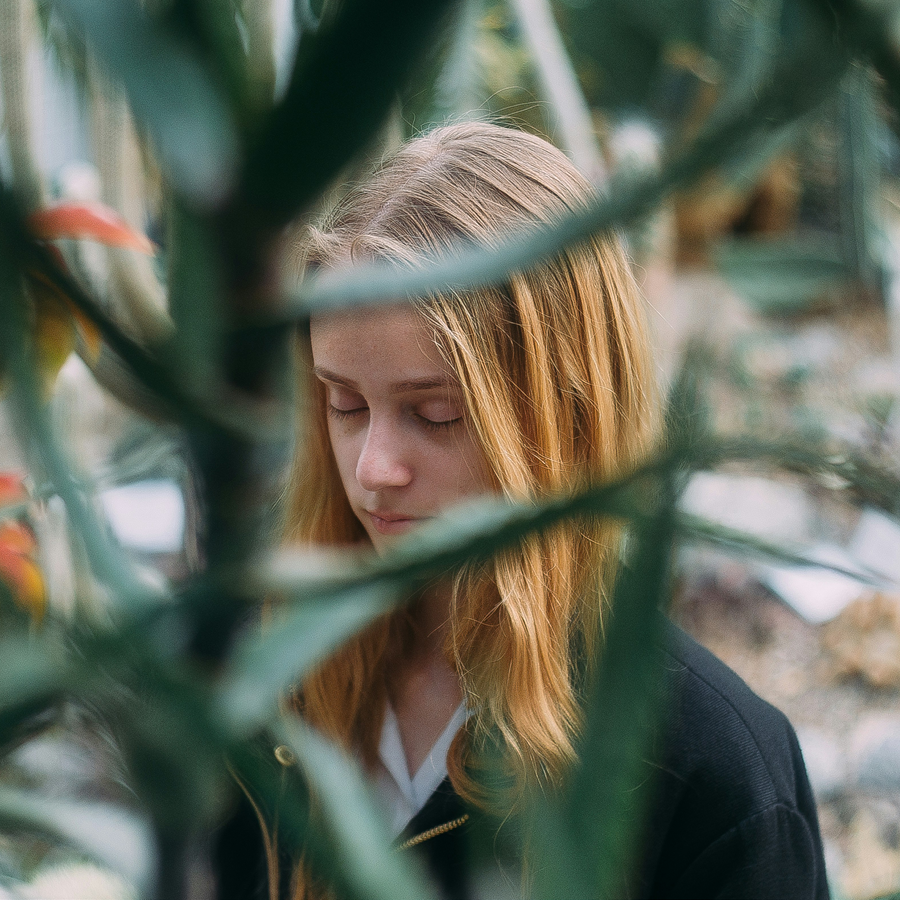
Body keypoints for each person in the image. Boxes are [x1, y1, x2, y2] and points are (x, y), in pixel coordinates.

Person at [221, 122, 829, 899]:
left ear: (566, 414)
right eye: (343, 405)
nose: (374, 469)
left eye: (435, 413)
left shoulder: (711, 773)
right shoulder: (271, 679)